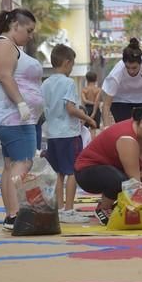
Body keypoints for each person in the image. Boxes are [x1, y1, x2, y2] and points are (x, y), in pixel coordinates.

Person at [0, 8, 43, 231]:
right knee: (23, 162)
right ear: (15, 25)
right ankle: (16, 214)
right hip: (12, 116)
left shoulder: (9, 46)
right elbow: (5, 77)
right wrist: (21, 104)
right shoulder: (3, 45)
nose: (30, 36)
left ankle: (11, 215)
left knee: (11, 165)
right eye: (28, 30)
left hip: (14, 115)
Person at [75, 106, 142, 225]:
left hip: (114, 169)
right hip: (87, 172)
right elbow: (135, 182)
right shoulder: (127, 139)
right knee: (120, 180)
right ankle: (103, 208)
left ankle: (118, 208)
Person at [41, 44, 96, 224]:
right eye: (72, 64)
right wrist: (87, 118)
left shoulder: (46, 83)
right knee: (72, 171)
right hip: (68, 133)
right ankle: (69, 209)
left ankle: (58, 208)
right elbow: (70, 108)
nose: (72, 68)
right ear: (67, 62)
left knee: (58, 172)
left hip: (52, 134)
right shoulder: (68, 82)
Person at [101, 38, 142, 126]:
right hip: (121, 101)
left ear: (140, 63)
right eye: (127, 67)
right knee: (126, 129)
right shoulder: (116, 73)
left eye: (134, 67)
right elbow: (106, 106)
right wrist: (106, 128)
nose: (131, 71)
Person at [81, 71, 101, 137]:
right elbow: (97, 102)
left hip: (86, 109)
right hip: (95, 109)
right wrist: (94, 113)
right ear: (96, 79)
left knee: (85, 129)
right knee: (93, 129)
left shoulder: (84, 90)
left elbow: (84, 101)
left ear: (87, 79)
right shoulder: (98, 90)